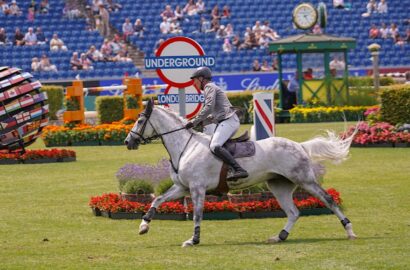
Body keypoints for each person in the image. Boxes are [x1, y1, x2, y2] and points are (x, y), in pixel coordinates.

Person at [185, 67, 249, 180]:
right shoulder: (210, 88)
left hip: (228, 121)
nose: (194, 83)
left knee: (214, 146)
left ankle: (239, 169)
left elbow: (208, 107)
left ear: (201, 78)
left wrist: (194, 122)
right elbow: (213, 115)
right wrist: (200, 122)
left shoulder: (209, 87)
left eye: (195, 80)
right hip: (227, 121)